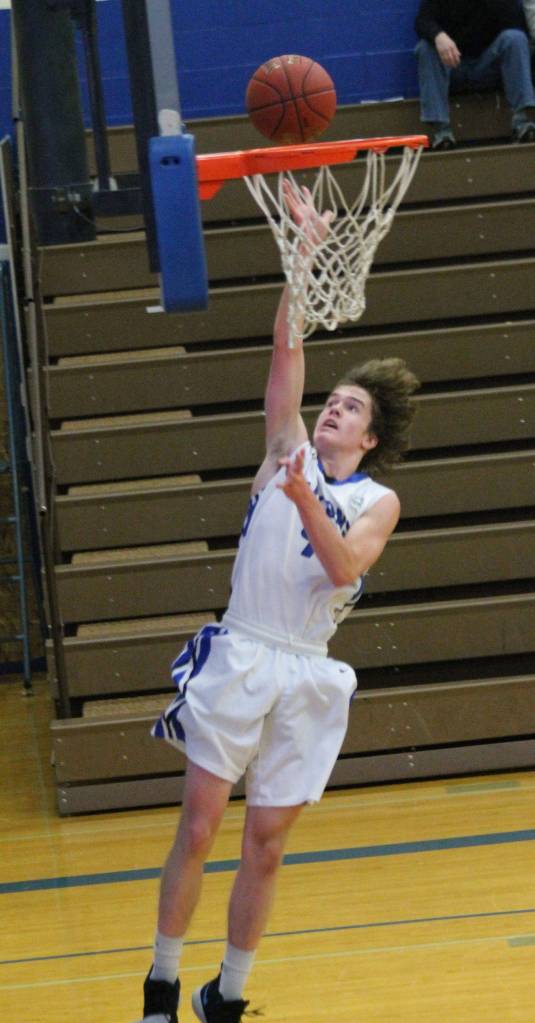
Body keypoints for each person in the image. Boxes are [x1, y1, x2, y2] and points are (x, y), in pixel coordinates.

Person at [134, 184, 419, 1023]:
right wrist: (304, 248)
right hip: (244, 649)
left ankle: (225, 991)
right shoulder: (283, 446)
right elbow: (286, 345)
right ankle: (158, 985)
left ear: (368, 438)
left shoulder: (377, 500)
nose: (332, 406)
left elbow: (341, 570)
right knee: (198, 825)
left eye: (350, 408)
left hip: (305, 671)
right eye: (332, 399)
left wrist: (303, 502)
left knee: (264, 845)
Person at [414, 0, 535, 148]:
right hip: (452, 68)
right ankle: (441, 131)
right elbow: (422, 21)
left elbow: (515, 25)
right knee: (425, 48)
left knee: (515, 38)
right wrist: (438, 36)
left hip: (488, 66)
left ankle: (521, 122)